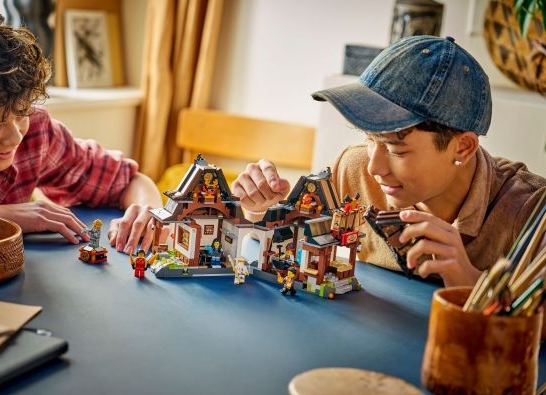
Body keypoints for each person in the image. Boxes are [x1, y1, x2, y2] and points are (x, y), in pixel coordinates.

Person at [232, 35, 545, 287]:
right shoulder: (352, 170)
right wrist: (263, 212)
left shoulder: (532, 210)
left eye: (397, 150)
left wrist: (473, 283)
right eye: (370, 138)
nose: (374, 168)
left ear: (463, 148)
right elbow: (292, 250)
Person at [0, 13, 163, 255]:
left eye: (21, 113)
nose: (16, 138)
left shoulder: (36, 131)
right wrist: (2, 216)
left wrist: (147, 210)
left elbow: (127, 180)